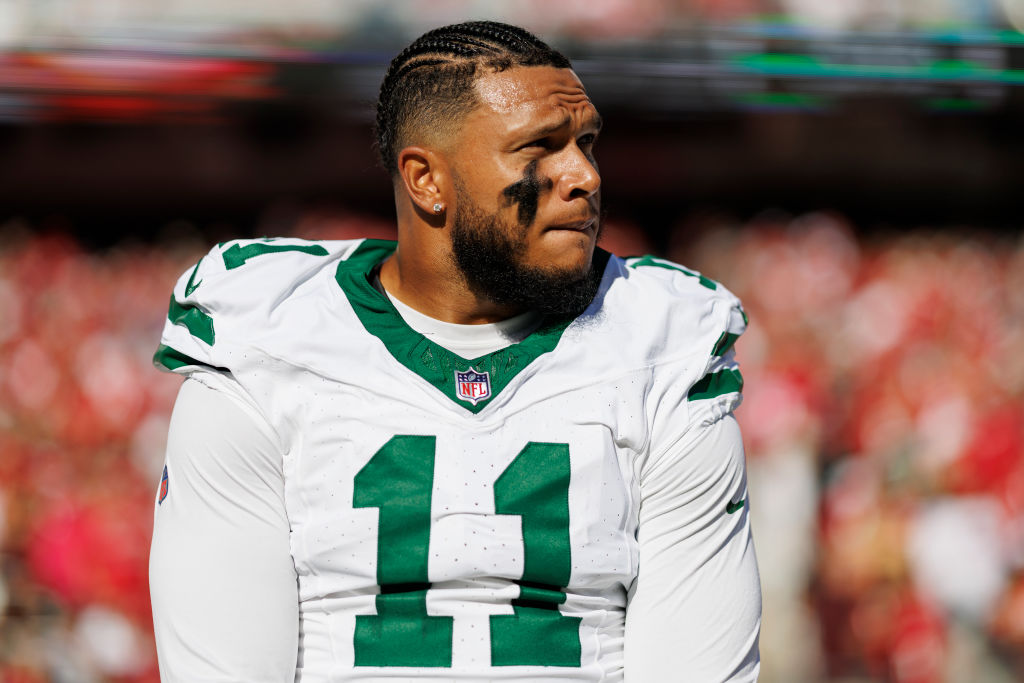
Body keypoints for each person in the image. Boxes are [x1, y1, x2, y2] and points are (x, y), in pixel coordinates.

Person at [149, 20, 761, 682]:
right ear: (426, 180)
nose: (583, 174)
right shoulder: (264, 339)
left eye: (586, 142)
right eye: (539, 147)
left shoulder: (660, 347)